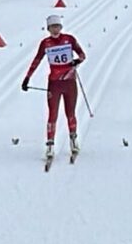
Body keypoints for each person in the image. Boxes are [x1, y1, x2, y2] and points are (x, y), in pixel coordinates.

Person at [21, 15, 86, 159]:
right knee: (52, 114)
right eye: (52, 27)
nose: (55, 29)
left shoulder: (69, 39)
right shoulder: (46, 43)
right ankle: (50, 145)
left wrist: (76, 61)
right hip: (54, 83)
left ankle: (73, 140)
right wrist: (27, 78)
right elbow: (37, 60)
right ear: (48, 28)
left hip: (69, 82)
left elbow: (82, 54)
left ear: (61, 27)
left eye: (57, 26)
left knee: (70, 113)